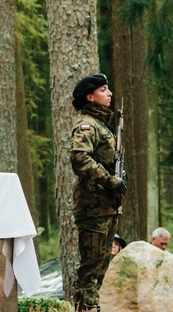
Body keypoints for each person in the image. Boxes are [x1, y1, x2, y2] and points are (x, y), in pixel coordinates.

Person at [69, 73, 126, 312]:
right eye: (103, 90)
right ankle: (85, 308)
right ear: (90, 97)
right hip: (93, 207)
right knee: (90, 269)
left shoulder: (103, 125)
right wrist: (111, 181)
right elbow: (79, 159)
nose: (109, 93)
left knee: (101, 265)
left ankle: (91, 307)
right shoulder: (87, 124)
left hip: (106, 206)